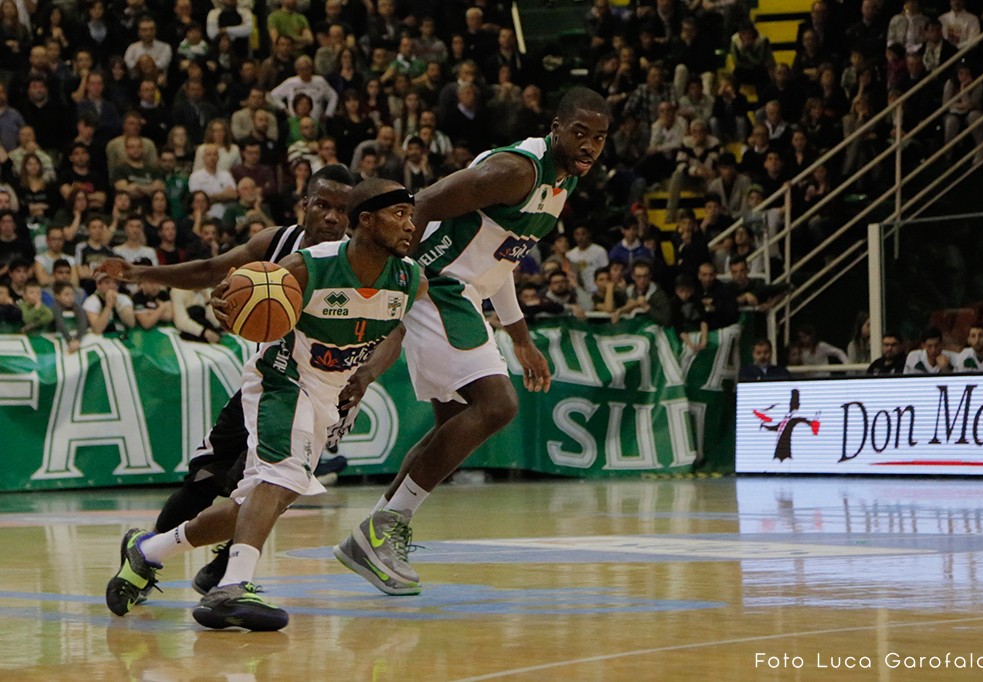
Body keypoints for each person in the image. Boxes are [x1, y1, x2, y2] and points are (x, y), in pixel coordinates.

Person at [104, 177, 425, 632]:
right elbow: (231, 284)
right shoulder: (303, 263)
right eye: (399, 215)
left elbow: (398, 329)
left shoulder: (410, 278)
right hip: (282, 378)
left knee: (257, 502)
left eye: (411, 216)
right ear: (365, 221)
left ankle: (149, 550)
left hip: (328, 393)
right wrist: (226, 302)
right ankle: (231, 587)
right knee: (269, 477)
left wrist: (369, 372)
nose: (410, 225)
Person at [332, 87, 611, 597]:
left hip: (463, 291)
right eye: (580, 133)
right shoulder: (518, 171)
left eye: (599, 138)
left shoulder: (560, 182)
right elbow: (419, 204)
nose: (589, 145)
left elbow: (500, 258)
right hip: (438, 286)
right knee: (498, 405)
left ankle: (372, 536)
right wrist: (390, 281)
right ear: (556, 127)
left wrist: (520, 337)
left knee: (451, 425)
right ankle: (382, 528)